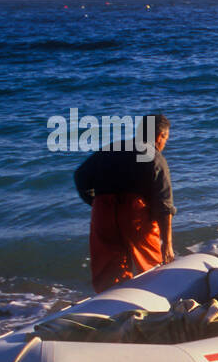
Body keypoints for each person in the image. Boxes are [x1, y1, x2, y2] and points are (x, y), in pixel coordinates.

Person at [74, 113, 176, 292]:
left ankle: (112, 306)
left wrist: (95, 203)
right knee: (151, 265)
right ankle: (159, 298)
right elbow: (164, 205)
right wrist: (167, 244)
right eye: (165, 139)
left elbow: (80, 176)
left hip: (102, 210)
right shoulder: (154, 157)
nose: (164, 144)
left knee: (108, 271)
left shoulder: (111, 148)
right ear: (159, 136)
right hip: (135, 213)